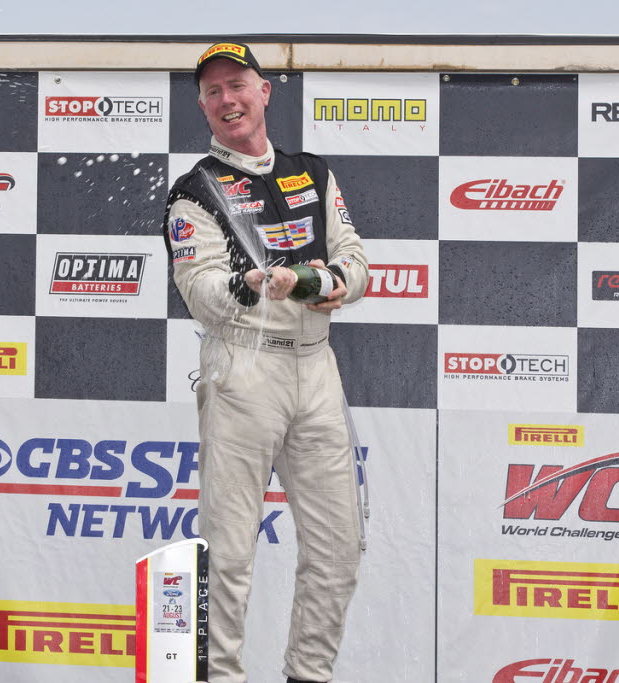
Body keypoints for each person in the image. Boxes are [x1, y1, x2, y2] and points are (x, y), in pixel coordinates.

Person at [163, 42, 369, 683]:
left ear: (264, 92)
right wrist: (253, 283)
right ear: (202, 106)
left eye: (237, 85)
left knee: (339, 547)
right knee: (228, 550)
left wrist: (320, 282)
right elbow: (199, 293)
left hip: (317, 366)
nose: (227, 99)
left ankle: (309, 674)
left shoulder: (314, 172)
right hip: (243, 368)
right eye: (213, 91)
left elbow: (356, 265)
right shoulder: (195, 189)